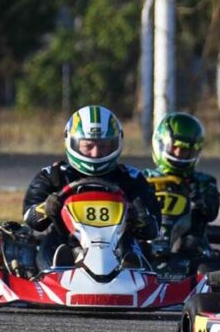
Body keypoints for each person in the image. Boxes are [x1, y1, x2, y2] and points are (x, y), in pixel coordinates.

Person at [22, 105, 161, 269]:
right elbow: (29, 218)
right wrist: (47, 208)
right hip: (66, 241)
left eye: (103, 146)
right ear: (73, 143)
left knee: (137, 248)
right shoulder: (54, 175)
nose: (96, 154)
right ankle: (54, 276)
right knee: (49, 243)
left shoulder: (131, 178)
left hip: (118, 244)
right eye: (88, 146)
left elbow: (154, 229)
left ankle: (131, 275)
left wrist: (140, 218)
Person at [143, 112, 220, 262]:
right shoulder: (144, 177)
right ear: (161, 145)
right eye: (174, 148)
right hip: (146, 240)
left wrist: (197, 199)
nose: (178, 154)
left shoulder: (203, 181)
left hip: (190, 245)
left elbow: (211, 212)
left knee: (199, 254)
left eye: (185, 150)